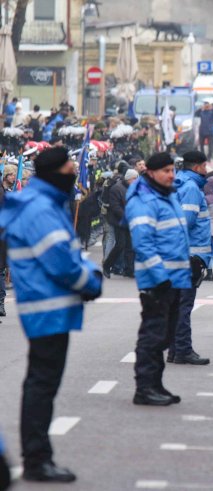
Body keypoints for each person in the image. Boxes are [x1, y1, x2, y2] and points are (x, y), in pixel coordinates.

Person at [0, 146, 102, 482]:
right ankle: (37, 459)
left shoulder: (42, 202)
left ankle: (38, 456)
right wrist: (90, 281)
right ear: (57, 171)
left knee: (41, 384)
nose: (75, 171)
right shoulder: (41, 208)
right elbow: (60, 259)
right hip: (47, 307)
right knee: (42, 386)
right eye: (71, 167)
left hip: (49, 306)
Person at [126, 152, 191, 406]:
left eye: (172, 170)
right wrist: (160, 277)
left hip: (175, 278)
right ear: (151, 172)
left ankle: (156, 384)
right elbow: (143, 243)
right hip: (157, 280)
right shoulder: (143, 199)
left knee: (165, 335)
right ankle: (144, 388)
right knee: (152, 336)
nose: (171, 174)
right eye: (165, 170)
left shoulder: (169, 194)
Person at [168, 151, 212, 365]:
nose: (207, 169)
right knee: (184, 306)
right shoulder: (191, 188)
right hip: (190, 255)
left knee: (177, 305)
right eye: (205, 166)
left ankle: (175, 350)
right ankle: (183, 350)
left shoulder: (179, 182)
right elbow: (185, 222)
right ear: (197, 167)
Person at [102, 169, 138, 278]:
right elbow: (115, 206)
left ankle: (129, 270)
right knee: (120, 245)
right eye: (135, 179)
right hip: (119, 221)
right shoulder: (116, 188)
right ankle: (107, 266)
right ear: (130, 179)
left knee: (130, 246)